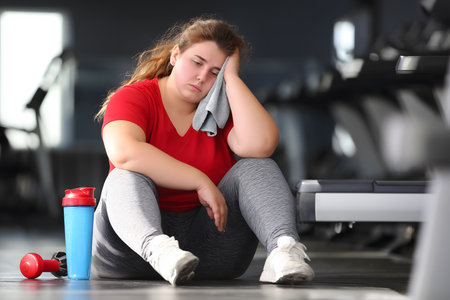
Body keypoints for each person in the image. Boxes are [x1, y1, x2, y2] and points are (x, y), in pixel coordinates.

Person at [92, 17, 314, 285]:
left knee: (257, 165)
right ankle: (160, 249)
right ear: (175, 55)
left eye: (214, 73)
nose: (201, 77)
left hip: (207, 250)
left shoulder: (221, 109)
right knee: (124, 175)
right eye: (197, 63)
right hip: (131, 252)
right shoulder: (134, 97)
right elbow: (124, 152)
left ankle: (283, 251)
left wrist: (230, 79)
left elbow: (261, 145)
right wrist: (199, 180)